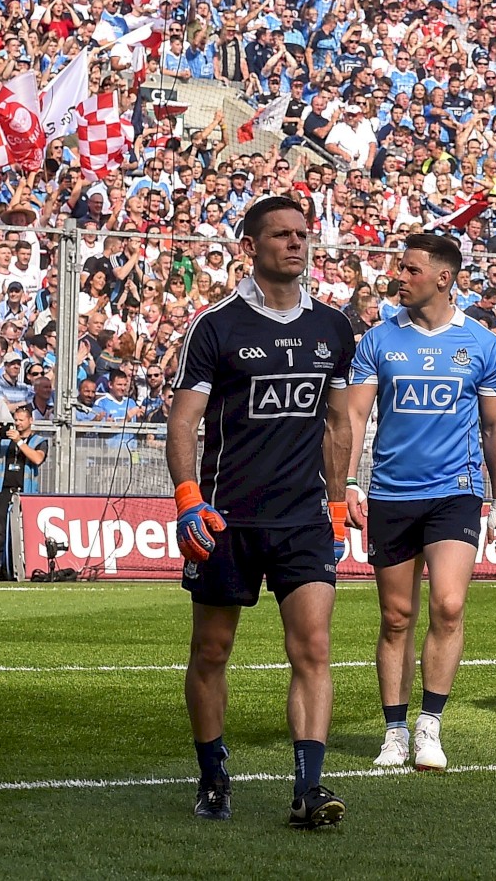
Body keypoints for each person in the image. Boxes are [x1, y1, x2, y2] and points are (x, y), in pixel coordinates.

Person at [167, 196, 356, 827]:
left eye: (303, 234)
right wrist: (189, 499)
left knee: (313, 648)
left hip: (302, 518)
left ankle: (308, 789)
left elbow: (336, 424)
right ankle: (214, 774)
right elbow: (185, 421)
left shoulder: (333, 328)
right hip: (227, 521)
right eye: (281, 235)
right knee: (212, 651)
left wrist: (335, 505)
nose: (296, 244)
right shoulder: (216, 326)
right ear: (250, 246)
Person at [342, 233, 496, 771]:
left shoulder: (483, 345)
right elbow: (352, 418)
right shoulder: (377, 341)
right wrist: (348, 482)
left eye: (411, 269)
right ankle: (393, 731)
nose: (400, 276)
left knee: (449, 604)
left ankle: (429, 725)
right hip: (391, 493)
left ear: (443, 277)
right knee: (395, 617)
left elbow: (495, 427)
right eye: (401, 268)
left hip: (455, 493)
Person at [0, 405, 44, 580]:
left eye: (21, 420)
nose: (17, 423)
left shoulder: (39, 440)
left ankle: (21, 572)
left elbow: (37, 458)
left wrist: (19, 442)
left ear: (30, 420)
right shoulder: (4, 441)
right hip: (3, 492)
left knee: (22, 535)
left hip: (25, 494)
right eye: (15, 420)